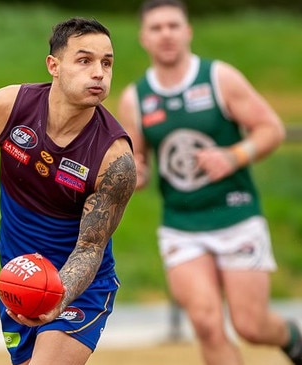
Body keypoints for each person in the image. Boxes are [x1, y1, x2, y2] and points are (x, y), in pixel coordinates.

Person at [0, 17, 136, 365]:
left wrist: (57, 294)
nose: (99, 72)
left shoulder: (114, 160)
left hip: (78, 286)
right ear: (53, 66)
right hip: (19, 277)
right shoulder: (9, 107)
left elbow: (89, 248)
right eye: (84, 60)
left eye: (107, 62)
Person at [116, 1, 302, 364]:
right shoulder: (135, 98)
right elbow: (138, 163)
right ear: (143, 38)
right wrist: (135, 176)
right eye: (156, 28)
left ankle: (293, 340)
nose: (166, 34)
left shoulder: (219, 78)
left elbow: (271, 129)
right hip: (182, 225)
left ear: (188, 31)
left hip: (236, 215)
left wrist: (233, 156)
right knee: (206, 323)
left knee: (250, 324)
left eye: (173, 25)